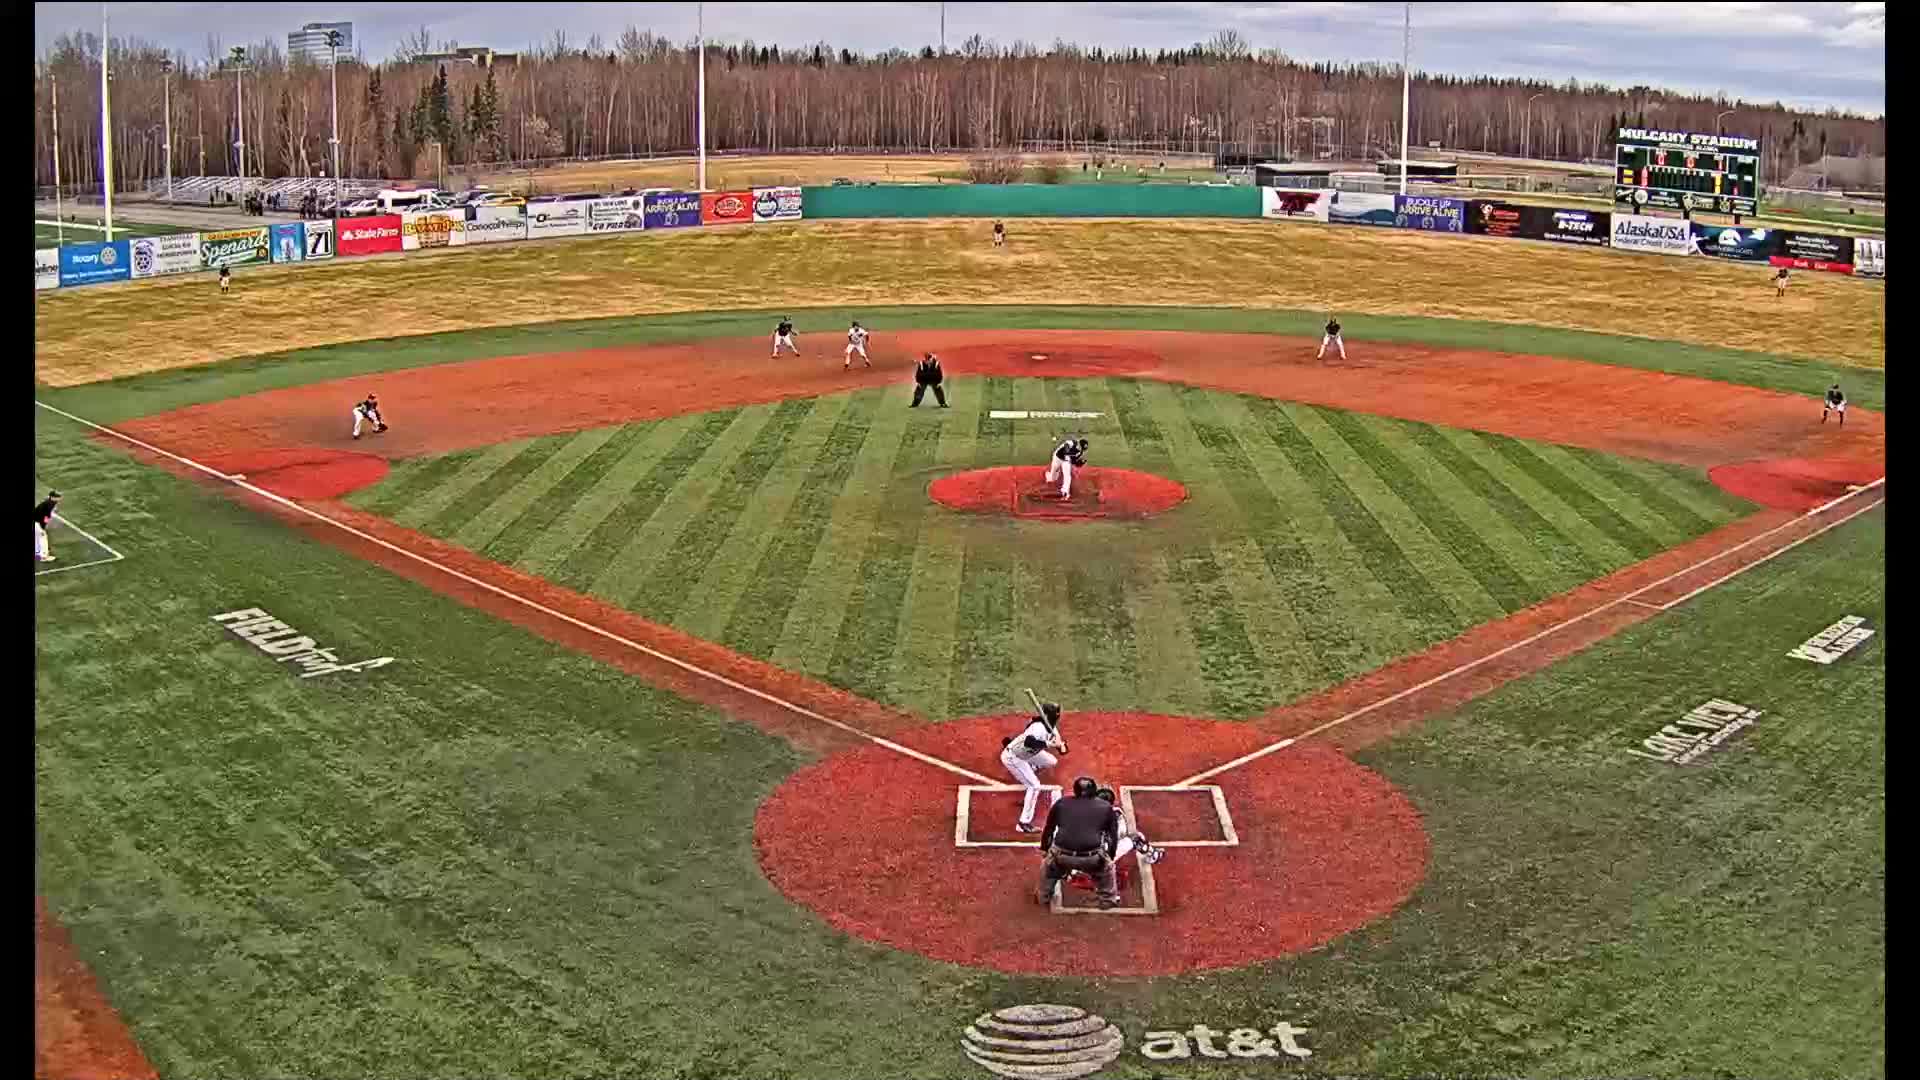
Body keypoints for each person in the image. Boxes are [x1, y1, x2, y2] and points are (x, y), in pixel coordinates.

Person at [1036, 776, 1122, 909]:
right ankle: (1108, 900)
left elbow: (1049, 829)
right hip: (1091, 858)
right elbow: (1112, 838)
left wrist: (1045, 850)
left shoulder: (1062, 803)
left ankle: (1043, 896)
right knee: (1108, 870)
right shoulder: (1105, 807)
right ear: (1094, 791)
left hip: (1062, 856)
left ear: (1075, 790)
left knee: (1048, 867)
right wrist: (1108, 858)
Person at [1001, 700, 1068, 833]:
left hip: (1029, 755)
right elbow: (1029, 742)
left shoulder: (1052, 728)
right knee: (1034, 785)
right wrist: (1050, 745)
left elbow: (1063, 751)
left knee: (1051, 761)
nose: (1058, 715)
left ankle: (1029, 770)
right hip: (1014, 757)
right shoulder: (1038, 727)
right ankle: (1023, 823)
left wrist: (1061, 746)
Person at [33, 490, 61, 563]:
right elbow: (46, 517)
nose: (59, 498)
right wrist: (43, 527)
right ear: (52, 497)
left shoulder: (49, 502)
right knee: (43, 537)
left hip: (35, 520)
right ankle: (44, 556)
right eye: (57, 497)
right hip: (37, 522)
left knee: (37, 537)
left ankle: (37, 552)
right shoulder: (49, 505)